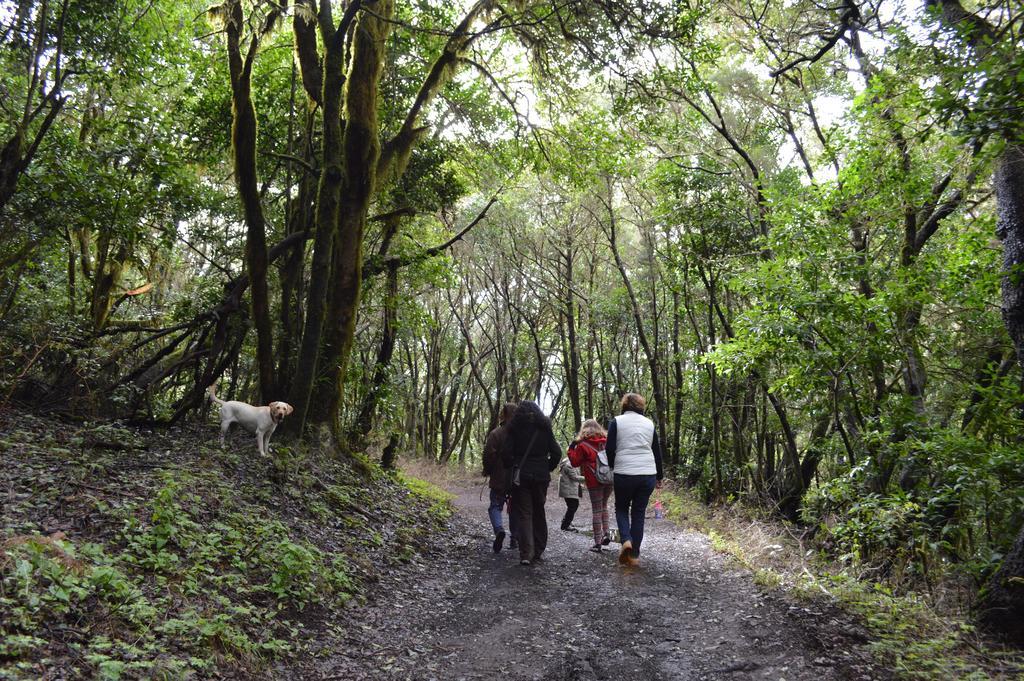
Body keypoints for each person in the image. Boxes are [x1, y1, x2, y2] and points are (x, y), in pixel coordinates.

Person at [607, 393, 663, 566]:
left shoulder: (616, 422)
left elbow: (609, 448)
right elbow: (656, 451)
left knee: (622, 508)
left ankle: (626, 541)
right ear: (641, 406)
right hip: (647, 473)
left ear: (624, 405)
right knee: (638, 512)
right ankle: (634, 555)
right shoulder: (649, 424)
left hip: (624, 472)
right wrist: (659, 476)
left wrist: (612, 466)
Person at [502, 401, 561, 565]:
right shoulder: (544, 427)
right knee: (539, 510)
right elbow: (556, 452)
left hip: (522, 476)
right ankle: (539, 550)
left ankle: (527, 553)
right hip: (541, 476)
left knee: (525, 513)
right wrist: (548, 467)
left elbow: (506, 453)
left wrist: (512, 464)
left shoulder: (514, 428)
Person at [567, 419, 612, 552]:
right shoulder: (607, 441)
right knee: (604, 506)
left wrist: (571, 448)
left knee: (597, 510)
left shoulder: (583, 445)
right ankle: (607, 533)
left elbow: (574, 462)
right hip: (609, 478)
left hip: (594, 480)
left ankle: (598, 542)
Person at [482, 402, 519, 553]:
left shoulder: (496, 433)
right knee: (515, 508)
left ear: (503, 415)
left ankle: (499, 530)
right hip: (518, 477)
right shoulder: (521, 435)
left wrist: (488, 470)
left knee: (495, 506)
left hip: (499, 476)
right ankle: (514, 539)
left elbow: (488, 454)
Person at [556, 455, 585, 532]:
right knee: (573, 506)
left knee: (572, 506)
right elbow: (575, 477)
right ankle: (565, 525)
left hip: (568, 489)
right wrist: (587, 477)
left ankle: (566, 521)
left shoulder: (569, 462)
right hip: (568, 490)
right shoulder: (569, 465)